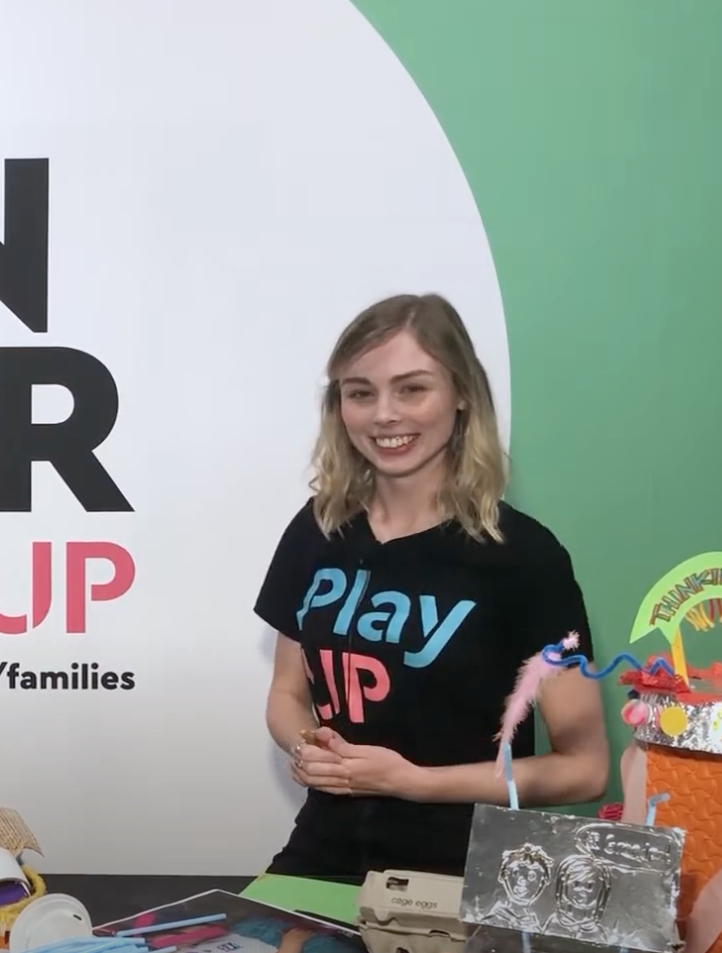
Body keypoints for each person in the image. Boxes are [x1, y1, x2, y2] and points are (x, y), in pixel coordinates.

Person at [254, 292, 609, 882]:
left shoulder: (524, 557)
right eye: (360, 393)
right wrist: (310, 751)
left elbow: (584, 767)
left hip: (468, 872)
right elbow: (286, 696)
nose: (384, 414)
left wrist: (412, 782)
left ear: (462, 394)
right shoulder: (316, 529)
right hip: (324, 852)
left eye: (412, 389)